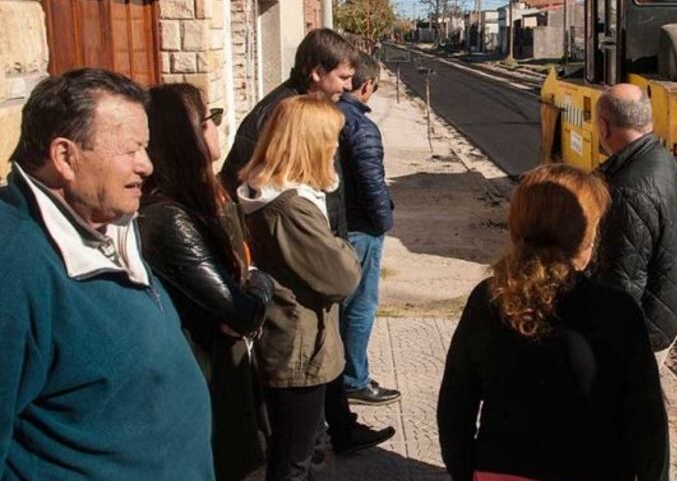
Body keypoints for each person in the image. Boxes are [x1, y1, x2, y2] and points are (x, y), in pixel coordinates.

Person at [0, 68, 213, 480]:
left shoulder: (106, 217)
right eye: (130, 150)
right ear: (65, 156)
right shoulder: (14, 265)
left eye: (146, 148)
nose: (147, 165)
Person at [438, 164, 670, 481]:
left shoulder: (489, 299)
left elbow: (454, 407)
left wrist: (467, 474)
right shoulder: (617, 311)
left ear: (515, 230)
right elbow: (647, 426)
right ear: (587, 240)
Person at [237, 96, 395, 480]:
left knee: (309, 447)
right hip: (298, 345)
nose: (335, 147)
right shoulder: (290, 207)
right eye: (330, 138)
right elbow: (343, 276)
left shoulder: (276, 192)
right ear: (308, 141)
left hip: (304, 342)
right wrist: (343, 246)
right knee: (295, 456)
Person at [138, 83, 275, 481]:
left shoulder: (208, 194)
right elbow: (242, 310)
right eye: (209, 119)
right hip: (205, 375)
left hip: (226, 366)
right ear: (186, 136)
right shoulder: (171, 217)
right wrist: (260, 283)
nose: (219, 124)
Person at [221, 27, 360, 236]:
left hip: (317, 240)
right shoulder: (275, 116)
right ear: (317, 72)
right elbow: (240, 187)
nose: (350, 86)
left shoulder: (317, 107)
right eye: (343, 77)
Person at [592, 84, 677, 363]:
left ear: (603, 127)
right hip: (667, 309)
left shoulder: (626, 190)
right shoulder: (662, 158)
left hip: (641, 333)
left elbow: (622, 282)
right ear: (648, 119)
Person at [337, 56, 400, 405]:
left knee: (345, 305)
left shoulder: (333, 115)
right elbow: (372, 183)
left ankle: (345, 374)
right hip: (362, 228)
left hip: (342, 224)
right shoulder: (361, 126)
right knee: (361, 306)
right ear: (367, 86)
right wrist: (383, 223)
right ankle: (355, 379)